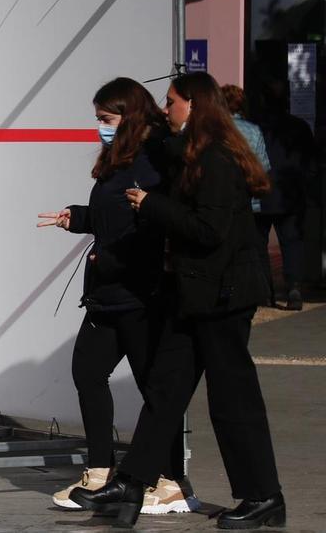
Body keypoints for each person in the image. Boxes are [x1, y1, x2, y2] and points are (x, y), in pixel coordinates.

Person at [71, 72, 283, 529]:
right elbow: (158, 148)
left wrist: (151, 205)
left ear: (195, 105)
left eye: (172, 103)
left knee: (233, 401)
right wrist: (139, 126)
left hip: (224, 298)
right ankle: (131, 482)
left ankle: (263, 496)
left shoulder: (219, 161)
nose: (167, 110)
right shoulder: (191, 153)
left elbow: (209, 232)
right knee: (165, 392)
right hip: (195, 296)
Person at [38, 78, 192, 515]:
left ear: (129, 116)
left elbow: (148, 225)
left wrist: (110, 256)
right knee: (88, 372)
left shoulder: (154, 160)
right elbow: (112, 215)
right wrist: (79, 218)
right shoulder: (117, 160)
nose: (100, 128)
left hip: (139, 295)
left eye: (106, 119)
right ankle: (101, 471)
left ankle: (170, 481)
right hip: (108, 294)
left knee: (154, 388)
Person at [253, 77, 315, 311]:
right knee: (292, 242)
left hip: (261, 193)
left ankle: (264, 292)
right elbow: (311, 161)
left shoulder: (255, 126)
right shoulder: (299, 127)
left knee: (258, 244)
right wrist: (304, 183)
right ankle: (294, 287)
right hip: (290, 193)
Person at [220, 85, 270, 216]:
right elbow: (263, 166)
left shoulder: (214, 129)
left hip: (221, 199)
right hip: (248, 200)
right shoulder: (254, 130)